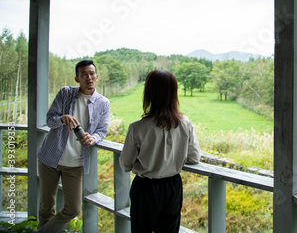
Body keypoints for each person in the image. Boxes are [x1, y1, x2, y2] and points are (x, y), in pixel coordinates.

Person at [120, 69, 201, 233]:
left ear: (149, 93)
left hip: (146, 188)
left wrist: (146, 161)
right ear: (174, 93)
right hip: (173, 186)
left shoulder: (138, 127)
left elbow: (125, 164)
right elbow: (194, 158)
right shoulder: (185, 123)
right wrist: (173, 158)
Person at [37, 60, 110, 233]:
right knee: (46, 207)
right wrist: (62, 119)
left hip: (76, 164)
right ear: (77, 78)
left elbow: (102, 130)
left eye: (92, 73)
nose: (88, 77)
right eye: (83, 74)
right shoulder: (65, 93)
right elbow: (49, 119)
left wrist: (93, 139)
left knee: (73, 209)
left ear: (97, 77)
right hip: (50, 158)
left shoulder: (103, 102)